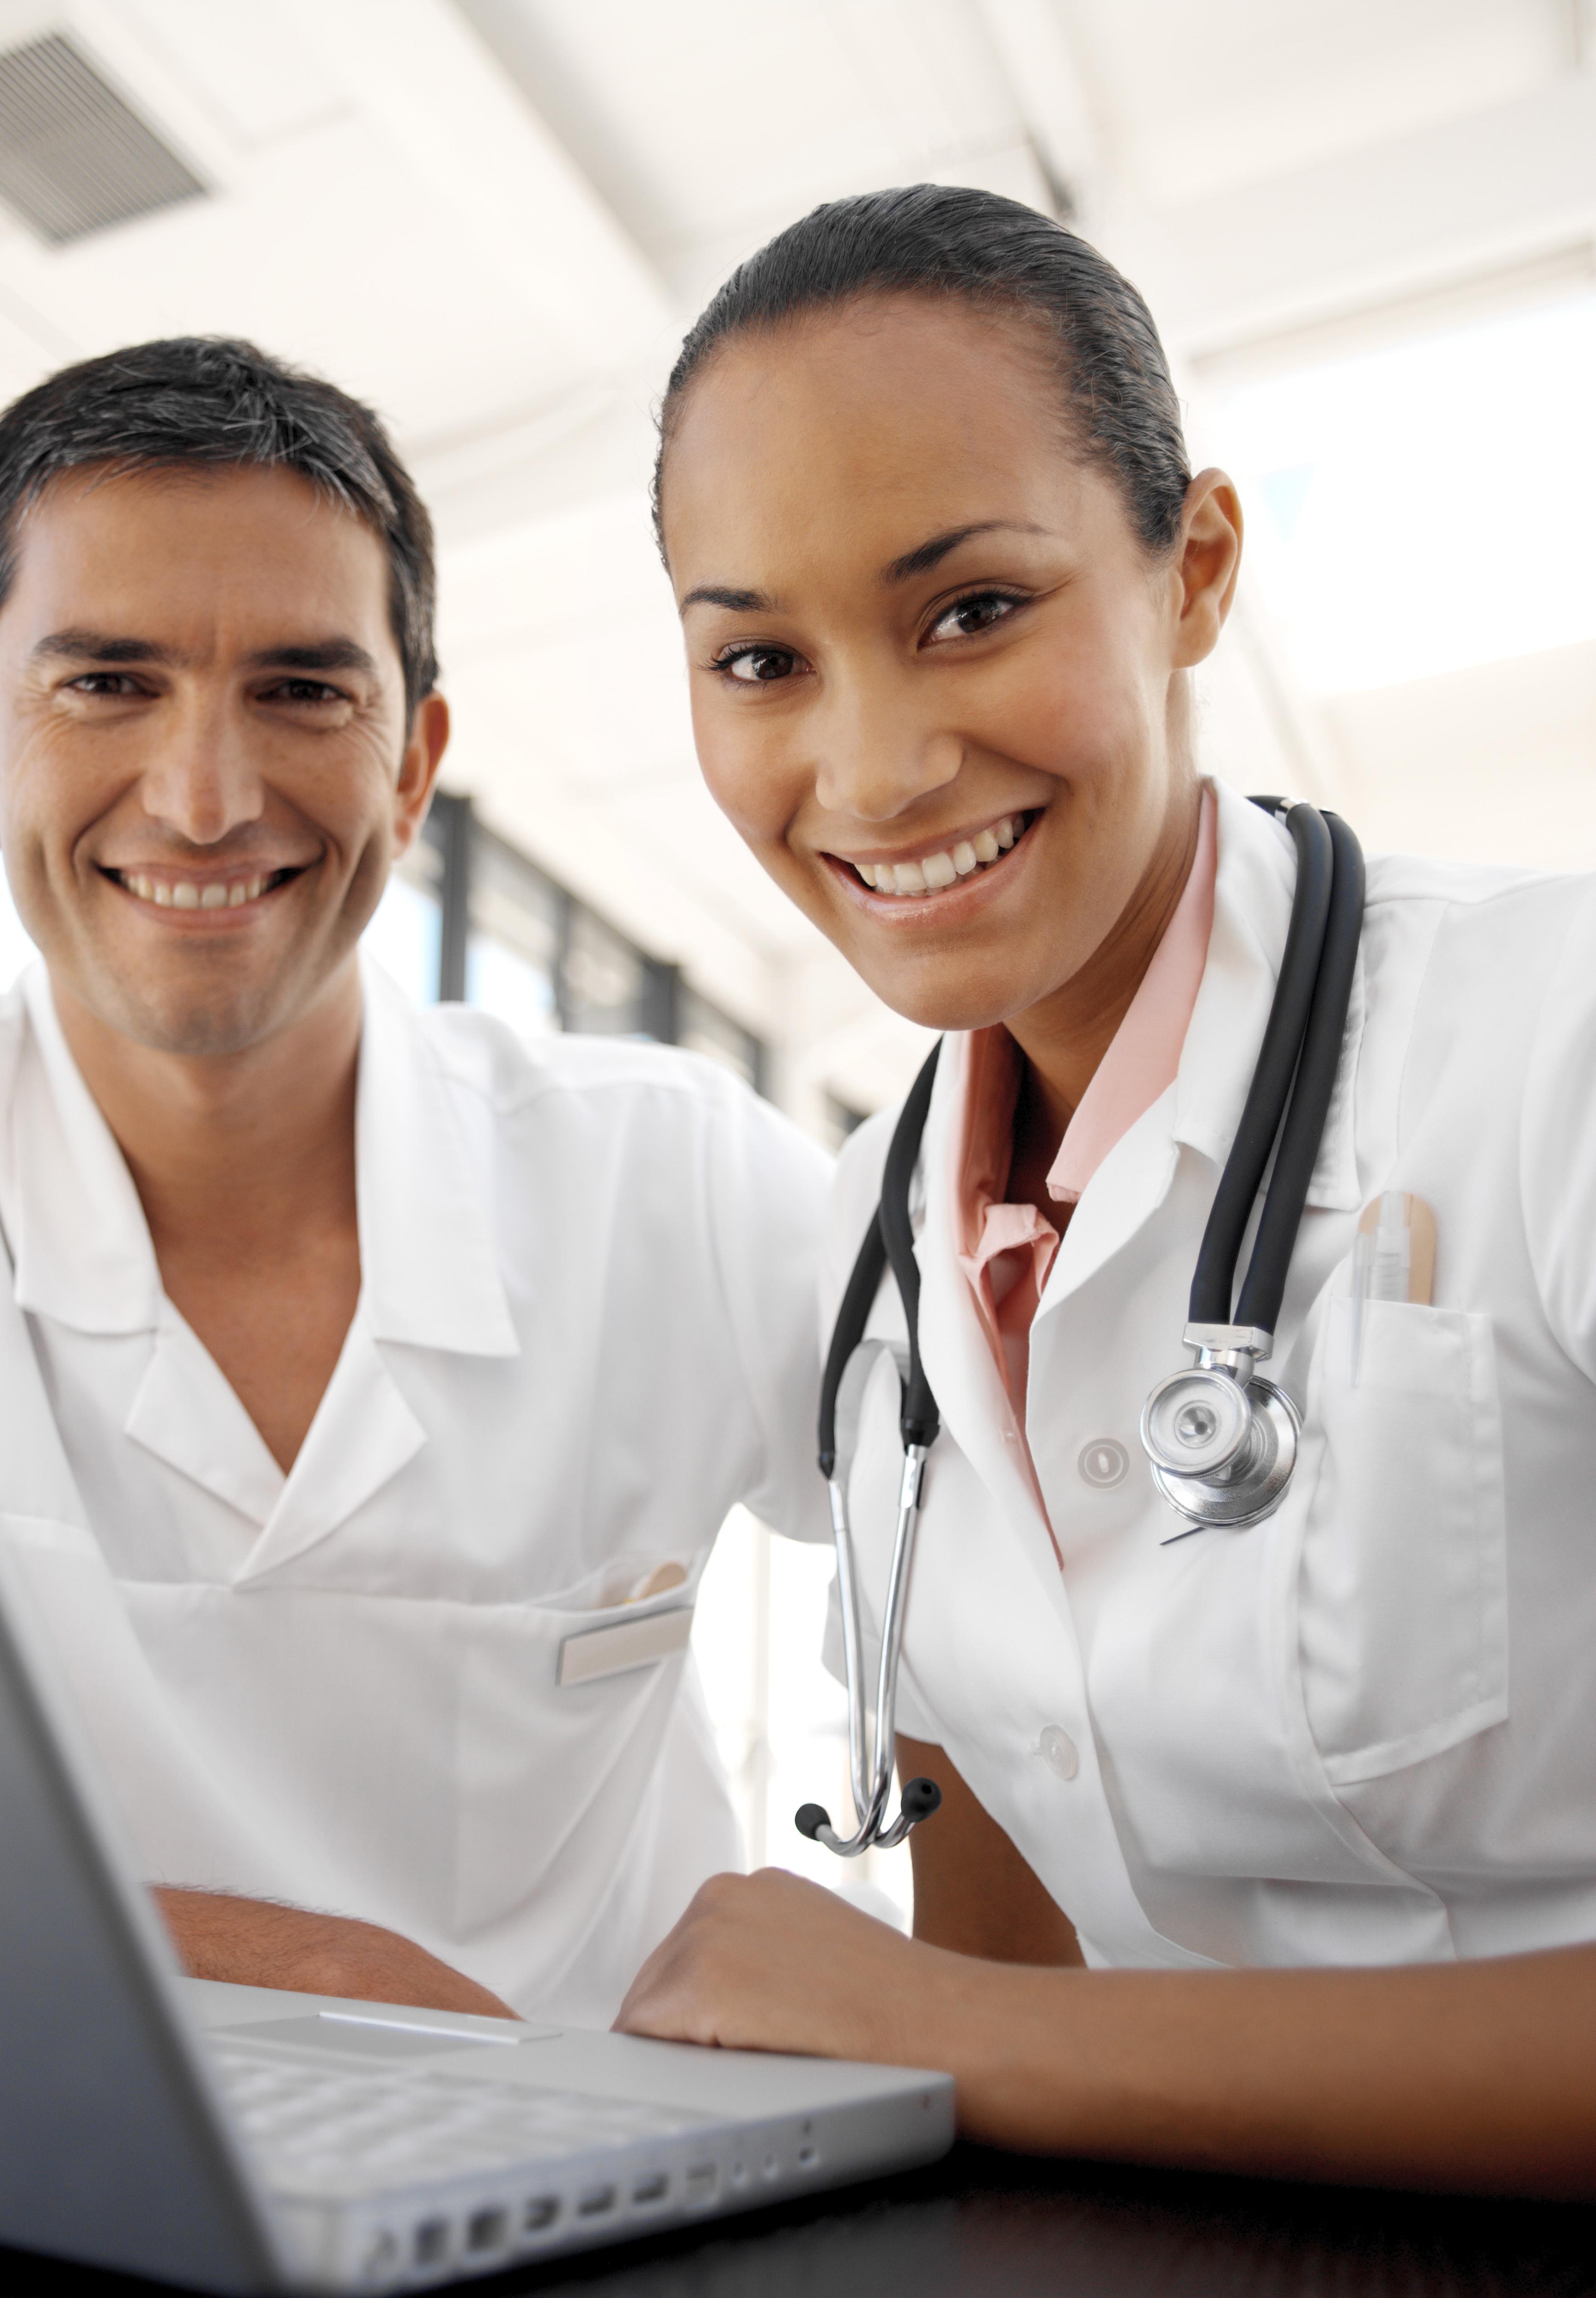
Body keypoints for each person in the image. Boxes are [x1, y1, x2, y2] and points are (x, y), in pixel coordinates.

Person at [615, 185, 1596, 2195]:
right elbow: (988, 1909)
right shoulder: (864, 1250)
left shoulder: (1549, 1044)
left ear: (1194, 570)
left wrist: (979, 2039)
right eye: (761, 659)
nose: (872, 769)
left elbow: (991, 2023)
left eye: (971, 609)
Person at [0, 336, 836, 2029]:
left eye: (303, 692)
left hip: (584, 2196)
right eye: (107, 685)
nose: (208, 799)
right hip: (33, 2157)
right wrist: (308, 1970)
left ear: (412, 763)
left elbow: (1029, 1597)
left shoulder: (669, 1171)